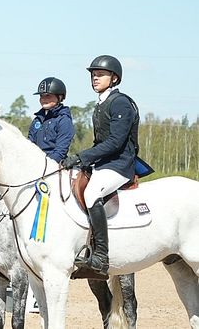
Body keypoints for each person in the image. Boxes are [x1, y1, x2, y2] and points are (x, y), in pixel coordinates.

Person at [61, 55, 139, 279]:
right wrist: (81, 160)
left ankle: (101, 256)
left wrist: (82, 156)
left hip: (120, 164)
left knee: (92, 191)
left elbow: (115, 142)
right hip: (104, 163)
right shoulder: (101, 104)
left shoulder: (121, 102)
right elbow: (100, 143)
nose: (95, 78)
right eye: (93, 75)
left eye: (100, 74)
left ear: (114, 78)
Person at [28, 77, 75, 163]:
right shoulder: (37, 120)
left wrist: (43, 164)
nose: (43, 99)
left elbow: (60, 152)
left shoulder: (64, 120)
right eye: (41, 96)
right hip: (35, 164)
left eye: (48, 96)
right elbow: (29, 145)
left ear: (59, 97)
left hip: (54, 165)